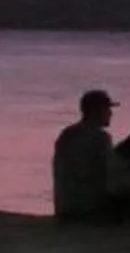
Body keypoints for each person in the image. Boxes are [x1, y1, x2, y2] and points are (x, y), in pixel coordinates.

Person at [50, 88, 120, 223]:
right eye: (107, 109)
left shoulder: (67, 134)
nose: (110, 113)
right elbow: (110, 175)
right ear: (96, 111)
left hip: (65, 209)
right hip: (89, 210)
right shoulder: (101, 138)